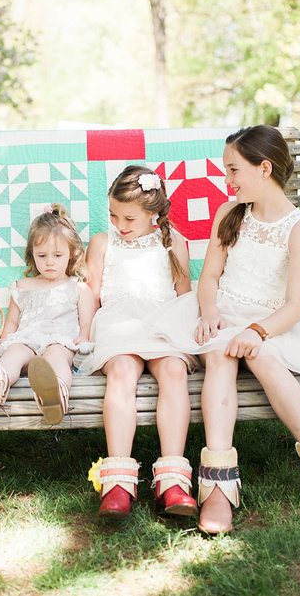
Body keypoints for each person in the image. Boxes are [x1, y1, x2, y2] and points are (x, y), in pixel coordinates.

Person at [154, 125, 300, 533]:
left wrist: (256, 332)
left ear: (264, 168)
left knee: (263, 358)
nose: (227, 179)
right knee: (218, 356)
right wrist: (209, 310)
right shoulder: (230, 213)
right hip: (221, 313)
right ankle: (217, 484)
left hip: (272, 324)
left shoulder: (298, 228)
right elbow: (210, 277)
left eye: (233, 170)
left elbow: (292, 305)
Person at [82, 165, 198, 519]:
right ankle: (118, 481)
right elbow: (91, 292)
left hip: (163, 325)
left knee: (175, 371)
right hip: (118, 325)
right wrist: (86, 337)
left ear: (155, 214)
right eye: (114, 215)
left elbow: (184, 296)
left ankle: (173, 480)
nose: (120, 224)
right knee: (120, 371)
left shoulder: (175, 243)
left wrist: (188, 336)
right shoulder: (103, 242)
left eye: (129, 217)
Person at [0, 203, 96, 425]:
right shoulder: (23, 286)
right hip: (27, 339)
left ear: (72, 254)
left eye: (57, 255)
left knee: (55, 357)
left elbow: (87, 323)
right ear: (32, 254)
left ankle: (54, 393)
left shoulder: (77, 287)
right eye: (42, 255)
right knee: (15, 353)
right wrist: (5, 339)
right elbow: (12, 322)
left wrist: (84, 337)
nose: (49, 262)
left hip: (61, 341)